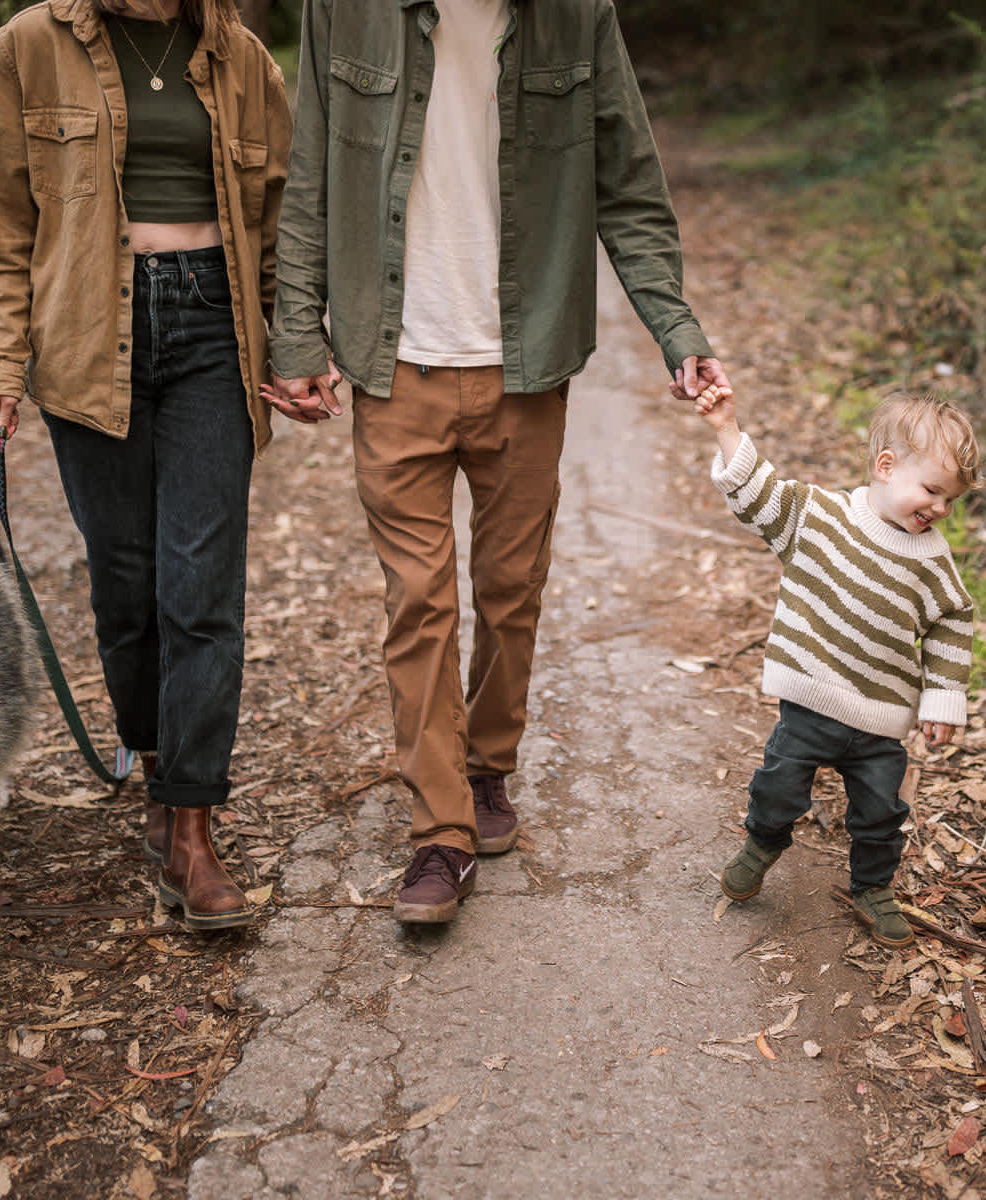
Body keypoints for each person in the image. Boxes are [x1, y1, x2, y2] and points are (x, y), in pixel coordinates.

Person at [264, 0, 729, 924]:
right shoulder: (345, 11)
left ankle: (486, 765)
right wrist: (297, 335)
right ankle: (440, 832)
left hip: (525, 359)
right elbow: (309, 174)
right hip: (393, 359)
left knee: (511, 589)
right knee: (418, 601)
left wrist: (675, 328)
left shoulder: (576, 15)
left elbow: (629, 186)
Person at [0, 0, 291, 929]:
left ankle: (192, 830)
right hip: (83, 338)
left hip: (214, 331)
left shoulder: (242, 56)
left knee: (202, 591)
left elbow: (280, 219)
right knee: (127, 589)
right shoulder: (29, 45)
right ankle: (152, 764)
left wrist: (295, 345)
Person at [691, 386, 984, 948]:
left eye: (951, 500)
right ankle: (763, 842)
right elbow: (758, 496)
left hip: (880, 720)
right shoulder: (820, 517)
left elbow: (953, 620)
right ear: (886, 466)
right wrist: (726, 428)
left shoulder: (933, 560)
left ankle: (872, 887)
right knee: (779, 785)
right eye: (932, 490)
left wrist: (943, 700)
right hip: (811, 700)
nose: (941, 509)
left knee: (881, 811)